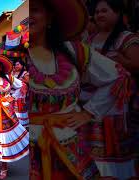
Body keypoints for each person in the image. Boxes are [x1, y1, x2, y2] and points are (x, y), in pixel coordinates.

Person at [29, 0, 131, 179]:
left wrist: (88, 113)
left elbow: (117, 76)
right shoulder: (14, 56)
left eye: (34, 10)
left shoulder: (75, 51)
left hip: (70, 145)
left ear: (50, 16)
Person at [82, 0, 139, 178]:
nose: (99, 15)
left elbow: (136, 64)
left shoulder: (126, 38)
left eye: (105, 11)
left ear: (117, 13)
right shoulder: (90, 39)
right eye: (97, 12)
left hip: (115, 105)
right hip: (90, 104)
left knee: (114, 155)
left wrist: (120, 62)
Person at [11, 59, 29, 127]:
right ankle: (14, 122)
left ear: (22, 65)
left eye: (18, 64)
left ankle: (21, 123)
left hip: (20, 93)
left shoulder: (25, 73)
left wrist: (20, 81)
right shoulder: (13, 73)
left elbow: (27, 81)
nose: (16, 66)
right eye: (15, 64)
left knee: (19, 107)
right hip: (12, 92)